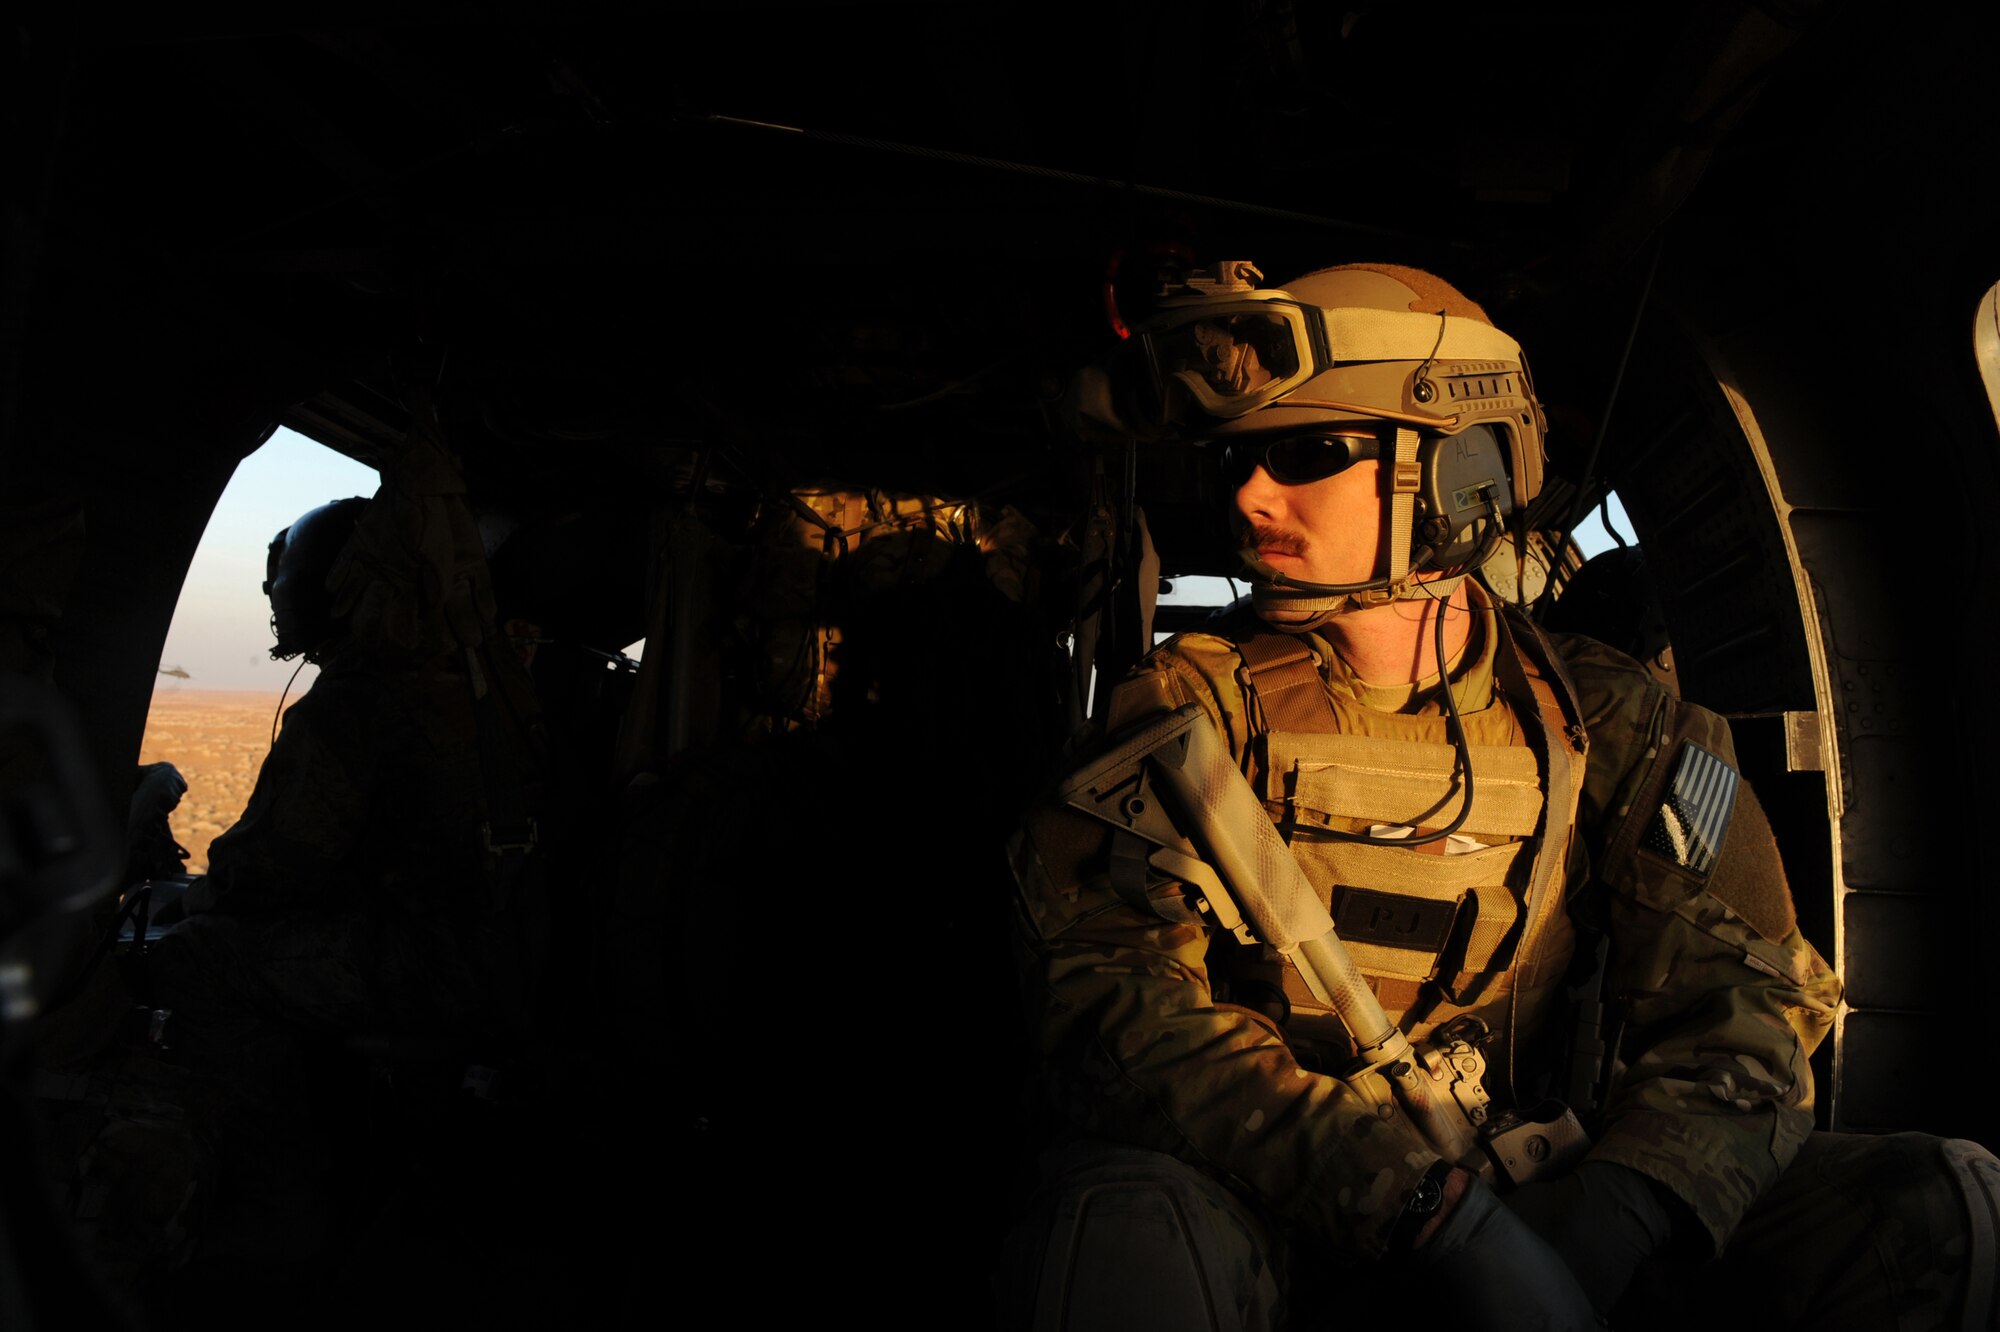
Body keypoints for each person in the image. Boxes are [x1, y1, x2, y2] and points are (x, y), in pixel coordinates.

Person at [1000, 261, 2000, 1329]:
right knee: (1119, 1233)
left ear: (1452, 466)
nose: (1250, 495)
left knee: (1939, 1202)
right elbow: (1112, 1009)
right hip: (1283, 1221)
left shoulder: (1621, 721)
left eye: (1306, 454)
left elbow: (1752, 1008)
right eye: (1241, 457)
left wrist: (1617, 1211)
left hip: (1550, 1196)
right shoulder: (1180, 711)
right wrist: (1425, 1212)